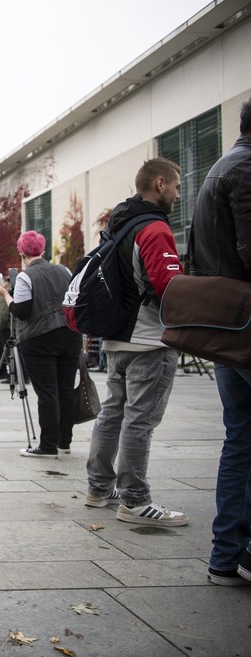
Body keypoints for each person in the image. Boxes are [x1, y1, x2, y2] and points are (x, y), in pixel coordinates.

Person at [84, 157, 187, 527]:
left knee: (113, 413)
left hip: (118, 338)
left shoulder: (118, 224)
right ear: (159, 183)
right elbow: (168, 288)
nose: (179, 191)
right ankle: (136, 500)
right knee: (139, 420)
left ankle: (99, 487)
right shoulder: (154, 228)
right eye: (176, 185)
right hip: (149, 339)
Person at [187, 98, 251, 586]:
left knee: (239, 439)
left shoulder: (219, 166)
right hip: (245, 322)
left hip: (229, 325)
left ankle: (228, 553)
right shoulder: (245, 167)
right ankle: (232, 551)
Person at [0, 231, 82, 458]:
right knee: (66, 390)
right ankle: (64, 442)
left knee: (47, 392)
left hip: (39, 339)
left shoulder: (25, 277)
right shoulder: (65, 271)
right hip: (70, 335)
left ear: (22, 253)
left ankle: (47, 445)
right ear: (42, 250)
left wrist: (5, 295)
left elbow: (22, 311)